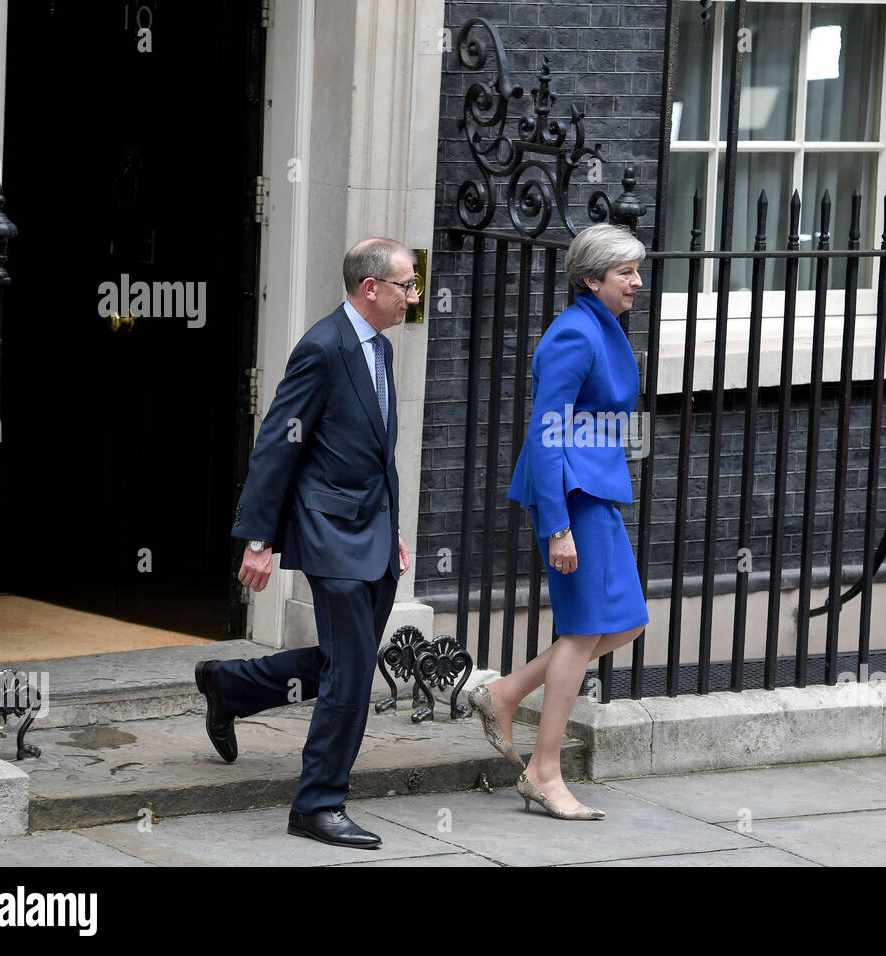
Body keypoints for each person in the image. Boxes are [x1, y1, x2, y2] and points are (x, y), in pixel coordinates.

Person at [193, 237, 417, 849]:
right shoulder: (322, 348)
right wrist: (259, 539)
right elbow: (277, 444)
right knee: (350, 676)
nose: (414, 297)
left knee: (346, 662)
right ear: (371, 287)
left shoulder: (381, 351)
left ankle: (231, 685)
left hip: (371, 530)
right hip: (330, 534)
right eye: (406, 285)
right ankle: (317, 805)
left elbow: (375, 454)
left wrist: (392, 524)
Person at [468, 223, 650, 820]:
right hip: (572, 495)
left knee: (622, 622)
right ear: (591, 279)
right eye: (625, 273)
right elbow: (546, 436)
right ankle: (544, 771)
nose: (636, 282)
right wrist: (557, 526)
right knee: (582, 629)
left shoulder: (602, 326)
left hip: (595, 490)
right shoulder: (573, 334)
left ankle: (505, 692)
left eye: (637, 270)